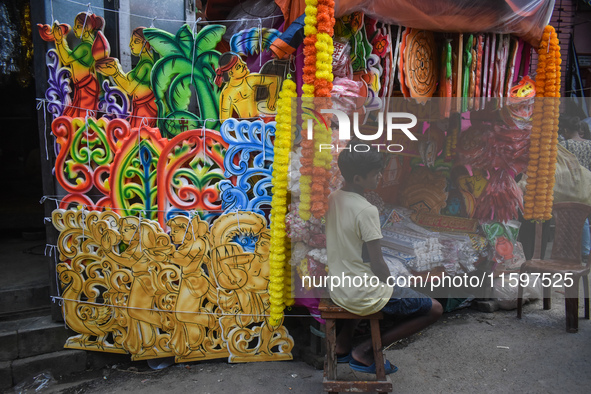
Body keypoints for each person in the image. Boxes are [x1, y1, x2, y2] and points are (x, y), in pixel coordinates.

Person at [326, 140, 442, 374]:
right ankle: (367, 350)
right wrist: (392, 286)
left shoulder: (334, 197)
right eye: (375, 173)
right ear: (358, 178)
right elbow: (378, 263)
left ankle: (342, 345)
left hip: (338, 286)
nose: (380, 176)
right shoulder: (366, 210)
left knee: (367, 282)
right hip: (359, 292)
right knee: (435, 309)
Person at [96, 27, 157, 128]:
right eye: (131, 41)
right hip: (139, 107)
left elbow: (129, 89)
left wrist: (115, 73)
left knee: (139, 136)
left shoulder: (146, 65)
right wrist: (115, 71)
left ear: (146, 43)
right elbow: (127, 81)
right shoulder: (142, 63)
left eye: (136, 41)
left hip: (146, 109)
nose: (130, 45)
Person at [51, 12, 104, 117]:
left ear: (87, 28)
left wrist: (59, 40)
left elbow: (66, 59)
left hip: (86, 87)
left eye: (78, 26)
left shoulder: (86, 47)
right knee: (75, 116)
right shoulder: (89, 45)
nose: (74, 28)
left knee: (82, 118)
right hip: (82, 87)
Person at [558, 115, 591, 260]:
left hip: (571, 185)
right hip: (587, 185)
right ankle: (583, 248)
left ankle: (574, 248)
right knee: (583, 216)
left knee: (568, 217)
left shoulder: (566, 145)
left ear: (566, 130)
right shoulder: (589, 144)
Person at [215, 52, 280, 120]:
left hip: (260, 118)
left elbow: (273, 80)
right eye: (239, 66)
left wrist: (272, 100)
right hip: (245, 124)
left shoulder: (250, 80)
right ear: (231, 73)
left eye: (242, 62)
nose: (244, 64)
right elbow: (224, 119)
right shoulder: (226, 93)